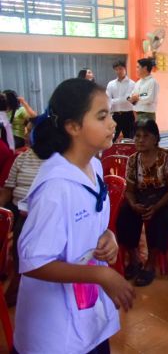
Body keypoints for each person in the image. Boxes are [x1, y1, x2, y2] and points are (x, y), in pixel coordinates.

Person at [15, 78, 134, 353]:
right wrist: (101, 276)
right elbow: (33, 262)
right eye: (102, 116)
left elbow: (92, 221)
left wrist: (108, 236)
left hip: (87, 317)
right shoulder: (55, 188)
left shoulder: (94, 167)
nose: (112, 124)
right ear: (73, 127)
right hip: (55, 333)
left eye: (111, 115)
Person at [116, 120, 168, 287]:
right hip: (141, 198)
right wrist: (133, 204)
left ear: (156, 138)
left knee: (162, 218)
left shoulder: (167, 158)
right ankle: (134, 258)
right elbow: (129, 190)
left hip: (164, 198)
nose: (140, 140)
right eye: (137, 136)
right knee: (125, 214)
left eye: (145, 136)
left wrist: (156, 207)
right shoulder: (133, 160)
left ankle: (151, 262)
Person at [0, 118, 43, 305]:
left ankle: (22, 280)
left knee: (25, 228)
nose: (26, 135)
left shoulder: (57, 159)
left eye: (30, 131)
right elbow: (7, 191)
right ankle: (19, 275)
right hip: (20, 211)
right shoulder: (22, 158)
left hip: (42, 215)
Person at [106, 60, 136, 142]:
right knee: (111, 139)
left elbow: (127, 99)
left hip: (128, 115)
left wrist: (113, 101)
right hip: (115, 116)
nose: (118, 71)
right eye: (116, 69)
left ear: (125, 69)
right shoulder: (111, 84)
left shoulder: (132, 84)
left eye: (120, 69)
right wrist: (120, 100)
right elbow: (107, 99)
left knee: (129, 139)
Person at [130, 58, 159, 122]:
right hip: (136, 114)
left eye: (138, 67)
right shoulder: (138, 82)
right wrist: (132, 98)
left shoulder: (152, 82)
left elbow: (150, 99)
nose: (136, 70)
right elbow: (131, 97)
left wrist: (137, 98)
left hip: (147, 115)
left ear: (145, 68)